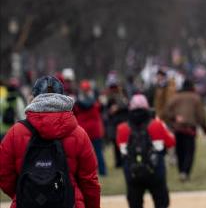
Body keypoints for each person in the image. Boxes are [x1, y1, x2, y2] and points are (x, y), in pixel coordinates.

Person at [0, 75, 101, 208]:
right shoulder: (78, 134)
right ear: (62, 97)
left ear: (33, 98)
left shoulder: (16, 132)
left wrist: (25, 192)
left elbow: (4, 174)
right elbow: (89, 181)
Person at [116, 94, 176, 208]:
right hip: (156, 172)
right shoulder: (157, 124)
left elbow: (121, 150)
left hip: (132, 173)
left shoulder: (122, 128)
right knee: (161, 203)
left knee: (135, 204)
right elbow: (171, 142)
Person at [163, 79, 206, 181]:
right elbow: (201, 115)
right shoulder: (195, 98)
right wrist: (204, 128)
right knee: (189, 152)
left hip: (178, 128)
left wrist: (174, 118)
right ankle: (185, 172)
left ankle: (181, 171)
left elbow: (166, 111)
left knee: (180, 151)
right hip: (190, 129)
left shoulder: (175, 97)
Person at [74, 80, 107, 176]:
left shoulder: (77, 104)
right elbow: (101, 109)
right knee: (98, 151)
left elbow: (74, 113)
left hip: (83, 131)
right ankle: (102, 171)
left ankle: (85, 172)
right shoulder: (95, 102)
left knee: (83, 154)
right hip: (95, 131)